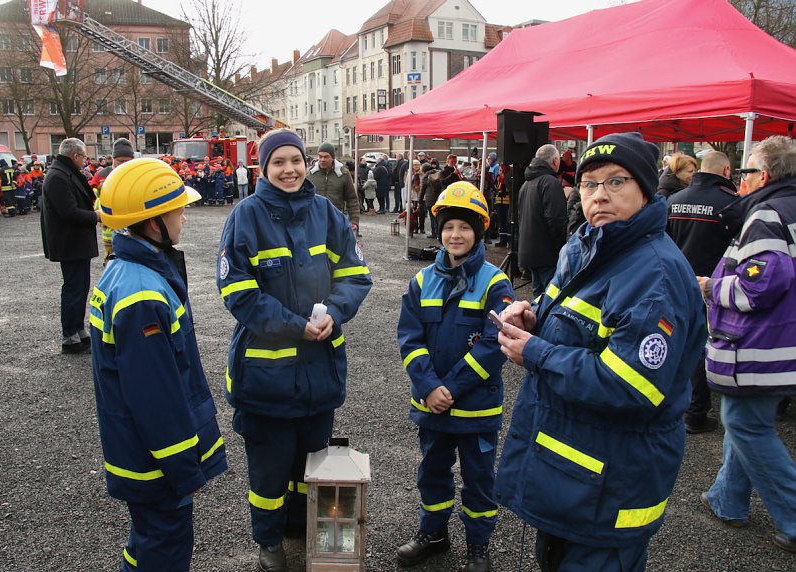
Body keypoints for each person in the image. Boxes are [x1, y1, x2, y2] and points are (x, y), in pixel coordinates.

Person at [495, 132, 707, 572]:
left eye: (616, 182)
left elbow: (632, 385)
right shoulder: (586, 244)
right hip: (573, 474)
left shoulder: (656, 275)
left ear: (645, 190)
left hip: (610, 485)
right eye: (590, 184)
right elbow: (568, 315)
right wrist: (534, 315)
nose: (599, 196)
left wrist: (537, 353)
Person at [217, 128, 372, 572]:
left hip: (320, 371)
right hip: (266, 377)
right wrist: (295, 326)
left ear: (307, 163)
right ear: (263, 168)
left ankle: (299, 527)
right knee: (268, 472)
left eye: (295, 160)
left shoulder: (327, 213)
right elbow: (238, 292)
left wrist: (334, 314)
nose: (289, 169)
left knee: (311, 464)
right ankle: (269, 543)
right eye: (279, 162)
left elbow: (356, 275)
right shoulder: (245, 216)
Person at [89, 158, 228, 572]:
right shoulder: (143, 296)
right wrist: (184, 469)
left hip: (140, 452)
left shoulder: (126, 271)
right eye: (177, 209)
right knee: (165, 544)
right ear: (153, 223)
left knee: (151, 539)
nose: (184, 215)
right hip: (155, 462)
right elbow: (156, 399)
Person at [397, 182, 514, 572]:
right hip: (433, 406)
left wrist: (452, 387)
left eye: (464, 227)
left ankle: (478, 547)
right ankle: (433, 534)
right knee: (432, 473)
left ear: (478, 231)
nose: (455, 235)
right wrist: (430, 387)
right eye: (449, 227)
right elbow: (409, 340)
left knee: (479, 480)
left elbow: (494, 345)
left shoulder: (496, 284)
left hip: (475, 409)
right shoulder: (421, 282)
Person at [699, 135, 796, 553]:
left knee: (745, 423)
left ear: (766, 175)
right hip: (779, 343)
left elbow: (760, 286)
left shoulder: (767, 215)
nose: (740, 179)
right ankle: (727, 498)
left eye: (746, 171)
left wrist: (711, 286)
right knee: (745, 419)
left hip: (758, 346)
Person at [666, 150, 741, 434]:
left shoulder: (674, 201)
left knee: (678, 340)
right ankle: (696, 411)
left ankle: (680, 404)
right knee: (703, 345)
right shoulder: (733, 205)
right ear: (725, 171)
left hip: (678, 283)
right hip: (714, 288)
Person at [40, 137, 100, 354]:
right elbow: (68, 212)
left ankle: (78, 329)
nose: (85, 161)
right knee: (74, 288)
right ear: (75, 156)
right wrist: (96, 216)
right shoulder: (58, 176)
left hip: (75, 242)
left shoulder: (63, 173)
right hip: (69, 242)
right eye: (84, 157)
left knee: (80, 287)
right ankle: (69, 335)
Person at [517, 144, 568, 298]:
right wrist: (562, 249)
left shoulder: (526, 184)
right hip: (548, 254)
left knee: (538, 297)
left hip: (529, 251)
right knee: (550, 297)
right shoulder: (550, 183)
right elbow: (556, 220)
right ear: (554, 161)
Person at [91, 137, 135, 265]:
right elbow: (93, 196)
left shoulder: (136, 173)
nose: (123, 164)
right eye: (120, 161)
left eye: (127, 161)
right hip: (109, 225)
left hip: (131, 220)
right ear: (113, 158)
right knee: (112, 260)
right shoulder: (102, 174)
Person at [307, 141, 360, 233]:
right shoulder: (309, 174)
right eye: (320, 156)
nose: (322, 159)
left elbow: (352, 199)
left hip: (336, 219)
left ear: (333, 158)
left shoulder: (343, 174)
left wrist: (354, 221)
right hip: (313, 220)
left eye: (326, 156)